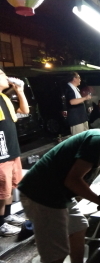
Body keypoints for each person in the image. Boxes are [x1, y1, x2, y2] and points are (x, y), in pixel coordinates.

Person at [18, 114, 100, 263]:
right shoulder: (98, 140)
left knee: (79, 227)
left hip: (62, 194)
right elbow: (72, 181)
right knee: (55, 252)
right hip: (42, 193)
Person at [0, 67, 29, 237]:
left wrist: (20, 91)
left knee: (10, 187)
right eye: (2, 74)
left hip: (12, 150)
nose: (6, 77)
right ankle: (0, 223)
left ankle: (7, 215)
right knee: (1, 190)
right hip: (1, 154)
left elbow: (24, 111)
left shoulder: (4, 98)